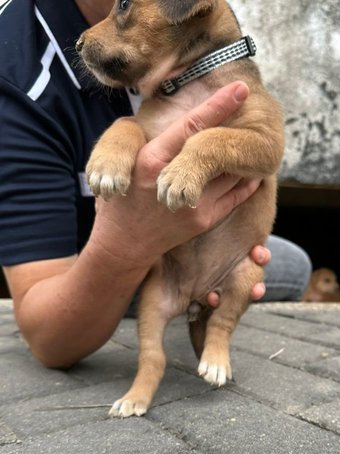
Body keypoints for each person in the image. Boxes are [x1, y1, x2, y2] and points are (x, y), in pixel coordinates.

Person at [0, 0, 312, 369]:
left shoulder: (196, 50)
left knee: (292, 264)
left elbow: (265, 147)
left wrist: (211, 154)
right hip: (96, 263)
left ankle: (208, 326)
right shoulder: (18, 76)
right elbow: (49, 340)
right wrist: (126, 245)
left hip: (202, 239)